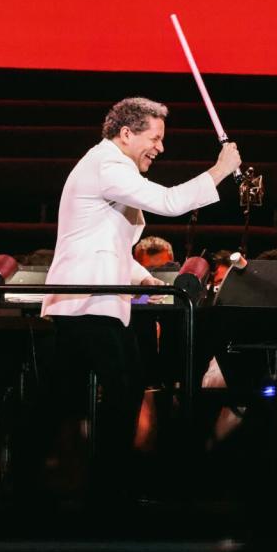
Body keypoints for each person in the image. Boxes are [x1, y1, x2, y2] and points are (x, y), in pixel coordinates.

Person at [36, 96, 241, 501]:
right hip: (86, 302)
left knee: (70, 397)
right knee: (121, 387)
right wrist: (220, 170)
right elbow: (169, 202)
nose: (160, 148)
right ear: (126, 133)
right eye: (155, 138)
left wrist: (144, 278)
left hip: (91, 302)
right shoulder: (108, 163)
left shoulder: (108, 168)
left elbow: (104, 242)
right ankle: (106, 488)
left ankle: (71, 483)